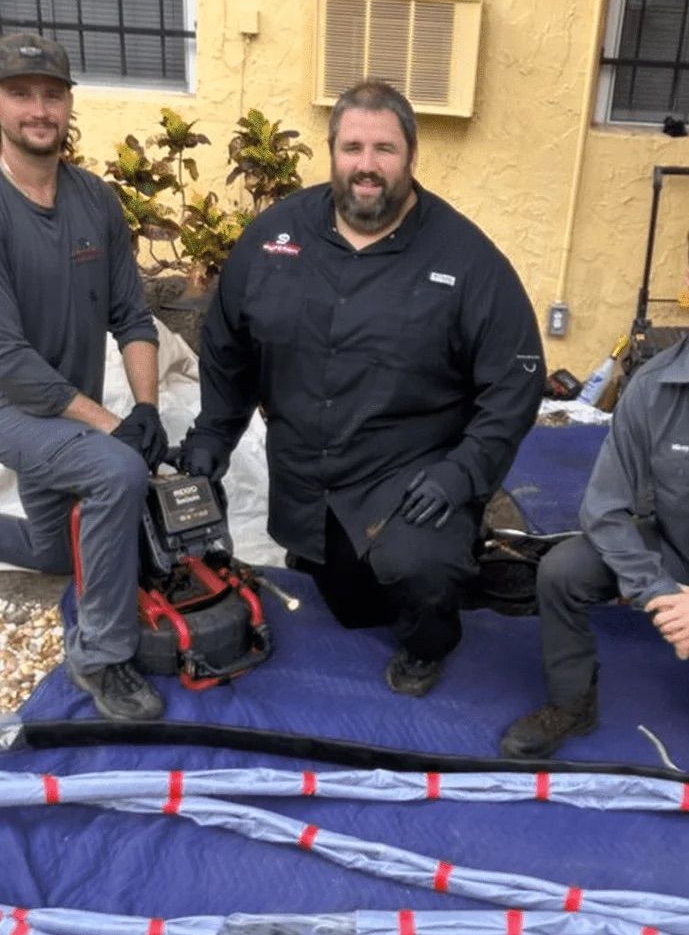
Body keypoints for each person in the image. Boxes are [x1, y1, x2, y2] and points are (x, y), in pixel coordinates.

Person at [179, 79, 544, 696]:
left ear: (411, 157)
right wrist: (214, 433)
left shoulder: (465, 256)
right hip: (308, 474)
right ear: (332, 151)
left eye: (384, 149)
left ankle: (431, 642)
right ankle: (351, 568)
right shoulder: (275, 237)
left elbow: (516, 378)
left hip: (410, 472)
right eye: (352, 148)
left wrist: (464, 474)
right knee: (349, 607)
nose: (366, 166)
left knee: (423, 575)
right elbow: (226, 346)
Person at [499, 195, 689, 766]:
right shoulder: (653, 386)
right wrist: (659, 592)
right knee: (563, 570)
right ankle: (571, 701)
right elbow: (604, 507)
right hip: (677, 557)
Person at [0, 32, 170, 722]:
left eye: (51, 94)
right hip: (11, 405)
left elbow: (133, 316)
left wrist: (149, 410)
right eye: (20, 94)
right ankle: (100, 655)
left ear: (69, 104)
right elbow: (8, 359)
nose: (38, 109)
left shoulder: (96, 200)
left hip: (66, 407)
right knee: (116, 473)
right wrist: (115, 431)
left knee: (55, 550)